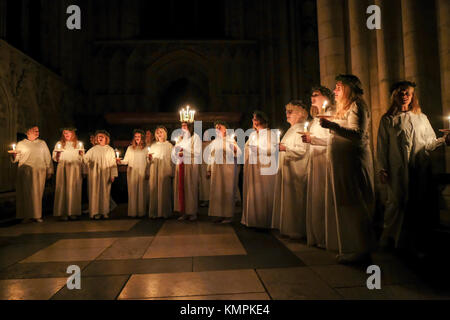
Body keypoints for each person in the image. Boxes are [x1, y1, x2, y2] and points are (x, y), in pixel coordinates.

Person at [377, 81, 449, 256]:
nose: (404, 96)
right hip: (397, 168)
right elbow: (382, 145)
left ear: (412, 96)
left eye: (408, 93)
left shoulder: (421, 118)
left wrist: (444, 140)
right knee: (396, 203)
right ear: (395, 96)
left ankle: (414, 243)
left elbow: (430, 142)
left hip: (418, 167)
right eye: (401, 93)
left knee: (416, 203)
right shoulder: (388, 120)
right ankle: (391, 239)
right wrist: (382, 168)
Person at [320, 74, 375, 264]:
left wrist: (332, 125)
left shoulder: (358, 105)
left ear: (349, 88)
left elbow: (358, 135)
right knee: (346, 203)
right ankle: (351, 245)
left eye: (338, 87)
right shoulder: (344, 108)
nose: (334, 91)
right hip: (342, 164)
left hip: (352, 163)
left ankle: (362, 249)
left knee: (355, 203)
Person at [302, 87, 335, 248]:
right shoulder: (315, 119)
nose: (312, 97)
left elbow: (332, 139)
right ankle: (317, 234)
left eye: (316, 95)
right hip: (315, 161)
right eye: (312, 94)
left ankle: (326, 236)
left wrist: (313, 140)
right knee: (316, 197)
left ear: (326, 97)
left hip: (325, 161)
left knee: (324, 196)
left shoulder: (331, 115)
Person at [272, 101, 310, 239]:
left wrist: (284, 148)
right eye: (286, 111)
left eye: (290, 112)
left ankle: (297, 230)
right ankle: (289, 228)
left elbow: (302, 150)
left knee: (296, 201)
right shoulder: (291, 130)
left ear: (300, 114)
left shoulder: (301, 129)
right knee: (289, 200)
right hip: (288, 170)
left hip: (297, 171)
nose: (287, 114)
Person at [10, 125, 53, 223]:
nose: (37, 132)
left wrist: (49, 170)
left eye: (38, 131)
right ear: (27, 132)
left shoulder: (42, 143)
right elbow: (16, 159)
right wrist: (14, 155)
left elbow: (47, 157)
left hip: (39, 171)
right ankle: (25, 215)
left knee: (37, 193)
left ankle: (36, 215)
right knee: (25, 193)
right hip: (25, 171)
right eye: (34, 130)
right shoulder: (21, 144)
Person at [241, 111, 277, 229]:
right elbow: (246, 148)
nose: (253, 120)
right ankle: (252, 219)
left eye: (255, 118)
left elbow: (273, 149)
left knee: (262, 192)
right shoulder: (252, 135)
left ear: (261, 120)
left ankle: (263, 220)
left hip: (263, 169)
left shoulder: (270, 134)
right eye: (253, 118)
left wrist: (259, 150)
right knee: (252, 192)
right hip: (252, 169)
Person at [207, 121, 242, 223]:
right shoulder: (214, 142)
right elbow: (210, 156)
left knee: (227, 191)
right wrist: (208, 169)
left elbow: (239, 154)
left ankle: (228, 215)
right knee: (217, 191)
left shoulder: (231, 141)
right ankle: (219, 214)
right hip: (216, 170)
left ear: (226, 129)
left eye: (220, 127)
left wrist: (235, 150)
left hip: (228, 170)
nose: (217, 128)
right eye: (216, 127)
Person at [83, 130, 118, 220]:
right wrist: (83, 157)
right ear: (96, 139)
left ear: (106, 138)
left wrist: (113, 174)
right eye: (98, 137)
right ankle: (95, 212)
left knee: (105, 193)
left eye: (102, 136)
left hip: (106, 174)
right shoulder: (93, 149)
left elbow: (113, 163)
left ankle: (104, 212)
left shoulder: (109, 149)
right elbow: (85, 159)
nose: (100, 138)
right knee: (94, 192)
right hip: (94, 174)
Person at [52, 127, 84, 221]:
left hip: (75, 169)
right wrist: (57, 155)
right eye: (65, 133)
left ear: (73, 133)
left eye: (69, 133)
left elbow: (82, 159)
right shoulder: (59, 144)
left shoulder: (78, 144)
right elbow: (55, 158)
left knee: (73, 189)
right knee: (62, 189)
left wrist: (81, 154)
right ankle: (63, 212)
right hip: (63, 168)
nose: (67, 135)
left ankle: (73, 212)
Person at [173, 121, 202, 221]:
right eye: (182, 126)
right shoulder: (180, 139)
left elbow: (197, 152)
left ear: (190, 127)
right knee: (181, 188)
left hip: (190, 165)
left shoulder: (195, 138)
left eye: (185, 126)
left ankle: (192, 212)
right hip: (180, 164)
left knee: (190, 187)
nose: (183, 128)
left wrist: (184, 151)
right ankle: (183, 212)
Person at [118, 129, 148, 218]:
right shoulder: (130, 148)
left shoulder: (145, 149)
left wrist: (147, 171)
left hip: (142, 171)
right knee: (133, 191)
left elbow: (148, 161)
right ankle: (133, 212)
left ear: (142, 138)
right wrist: (119, 161)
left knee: (142, 191)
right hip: (132, 172)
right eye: (135, 137)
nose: (137, 138)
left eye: (139, 137)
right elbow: (126, 160)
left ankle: (141, 212)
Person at [147, 126, 174, 219]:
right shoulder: (153, 145)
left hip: (165, 170)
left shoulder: (169, 145)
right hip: (154, 170)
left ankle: (164, 212)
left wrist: (172, 171)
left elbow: (172, 160)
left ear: (165, 134)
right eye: (157, 132)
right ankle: (154, 212)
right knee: (154, 190)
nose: (159, 134)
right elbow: (149, 160)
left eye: (161, 132)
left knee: (164, 191)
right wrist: (149, 159)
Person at [199, 130, 212, 207]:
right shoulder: (200, 144)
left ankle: (211, 199)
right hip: (202, 166)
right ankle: (205, 199)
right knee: (203, 184)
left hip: (209, 165)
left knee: (210, 183)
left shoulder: (212, 143)